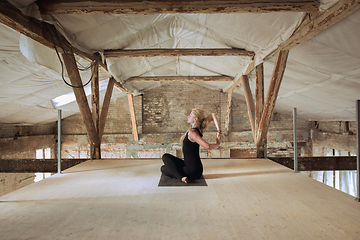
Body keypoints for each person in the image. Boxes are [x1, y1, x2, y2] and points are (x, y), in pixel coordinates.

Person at [160, 109, 221, 183]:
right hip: (195, 169)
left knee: (165, 160)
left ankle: (181, 177)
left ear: (196, 119)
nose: (188, 116)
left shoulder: (193, 132)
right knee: (165, 165)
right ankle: (182, 176)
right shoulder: (200, 128)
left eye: (191, 115)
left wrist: (217, 144)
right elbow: (212, 115)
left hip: (192, 171)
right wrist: (218, 131)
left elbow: (207, 146)